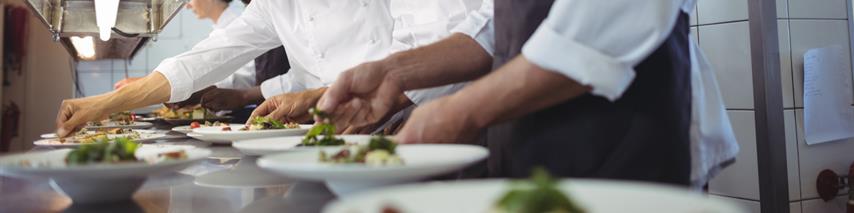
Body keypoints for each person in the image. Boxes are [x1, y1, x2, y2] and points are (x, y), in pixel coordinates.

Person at [318, 0, 739, 186]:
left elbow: (612, 14)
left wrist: (460, 111)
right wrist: (395, 73)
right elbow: (497, 23)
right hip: (531, 145)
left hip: (629, 140)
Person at [56, 1, 480, 137]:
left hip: (422, 122)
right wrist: (105, 103)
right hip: (339, 133)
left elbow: (436, 44)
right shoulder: (271, 4)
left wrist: (320, 97)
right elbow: (209, 56)